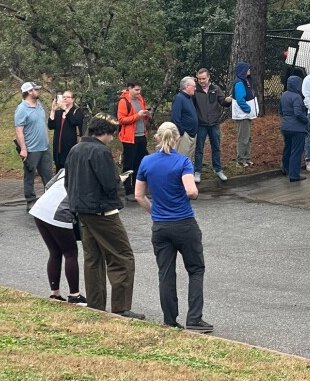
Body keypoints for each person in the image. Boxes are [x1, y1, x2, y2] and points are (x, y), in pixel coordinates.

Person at [136, 122, 213, 333]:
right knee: (195, 269)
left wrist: (156, 212)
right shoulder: (183, 162)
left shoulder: (146, 162)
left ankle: (170, 320)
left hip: (161, 226)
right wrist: (189, 193)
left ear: (157, 138)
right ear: (177, 138)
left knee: (166, 273)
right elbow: (191, 191)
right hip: (184, 223)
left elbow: (139, 196)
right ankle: (194, 319)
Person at [65, 114, 144, 319]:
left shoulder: (75, 149)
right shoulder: (100, 152)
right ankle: (121, 307)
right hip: (102, 211)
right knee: (122, 256)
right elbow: (109, 184)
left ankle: (96, 304)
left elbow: (68, 181)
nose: (113, 137)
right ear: (105, 132)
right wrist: (119, 180)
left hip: (82, 211)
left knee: (93, 258)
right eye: (112, 133)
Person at [28, 170, 87, 305]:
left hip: (40, 209)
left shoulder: (65, 169)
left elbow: (48, 185)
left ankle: (55, 293)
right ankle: (74, 295)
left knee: (54, 252)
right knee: (70, 253)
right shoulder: (87, 173)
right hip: (59, 212)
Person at [15, 81, 53, 211]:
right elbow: (19, 131)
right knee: (30, 175)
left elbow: (41, 124)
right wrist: (24, 149)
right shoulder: (21, 109)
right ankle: (30, 200)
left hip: (44, 147)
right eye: (35, 89)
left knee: (47, 174)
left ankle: (49, 198)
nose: (38, 91)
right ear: (29, 92)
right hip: (31, 148)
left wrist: (47, 139)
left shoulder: (39, 105)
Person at [193, 69, 232, 183]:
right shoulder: (195, 90)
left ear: (208, 77)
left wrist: (227, 101)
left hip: (214, 123)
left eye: (203, 78)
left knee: (216, 147)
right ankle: (198, 171)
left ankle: (218, 169)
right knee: (199, 148)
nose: (201, 81)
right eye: (199, 79)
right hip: (201, 124)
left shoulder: (215, 89)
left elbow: (223, 102)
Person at [116, 80, 151, 201]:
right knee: (128, 164)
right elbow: (121, 120)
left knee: (139, 163)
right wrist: (137, 116)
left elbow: (143, 115)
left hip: (141, 135)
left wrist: (146, 114)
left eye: (139, 90)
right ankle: (128, 190)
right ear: (129, 89)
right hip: (129, 138)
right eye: (136, 90)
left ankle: (138, 189)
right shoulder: (123, 101)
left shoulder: (140, 99)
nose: (138, 92)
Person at [280, 76, 308, 182]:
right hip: (297, 128)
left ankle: (285, 168)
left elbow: (281, 110)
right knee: (296, 151)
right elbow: (298, 113)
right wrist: (306, 120)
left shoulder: (284, 95)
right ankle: (294, 174)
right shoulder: (297, 97)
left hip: (285, 126)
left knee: (287, 148)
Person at [48, 90, 84, 171]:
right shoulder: (59, 113)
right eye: (63, 97)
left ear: (73, 99)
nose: (65, 99)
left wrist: (66, 110)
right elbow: (51, 126)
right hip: (58, 147)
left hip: (71, 147)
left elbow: (74, 122)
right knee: (59, 172)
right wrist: (53, 110)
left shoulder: (77, 111)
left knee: (70, 171)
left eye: (68, 97)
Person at [232, 62, 259, 168]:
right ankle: (241, 160)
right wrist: (247, 109)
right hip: (243, 115)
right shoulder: (239, 83)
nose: (249, 71)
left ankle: (247, 158)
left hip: (246, 115)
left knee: (247, 137)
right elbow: (240, 98)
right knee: (243, 137)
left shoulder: (246, 81)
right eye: (247, 69)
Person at [171, 76, 198, 159]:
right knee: (180, 158)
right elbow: (175, 117)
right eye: (194, 86)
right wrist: (182, 133)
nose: (195, 88)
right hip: (185, 135)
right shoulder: (179, 98)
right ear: (187, 87)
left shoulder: (189, 98)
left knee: (188, 159)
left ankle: (186, 172)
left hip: (192, 134)